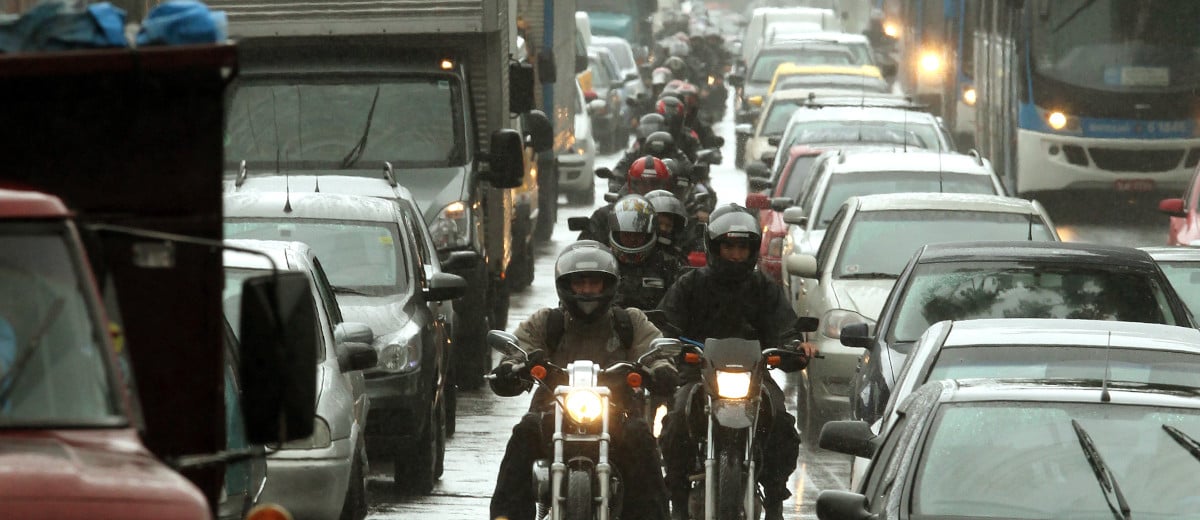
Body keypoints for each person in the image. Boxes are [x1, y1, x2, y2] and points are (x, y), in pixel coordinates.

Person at [489, 241, 678, 520]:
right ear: (566, 286)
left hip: (618, 415)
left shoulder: (629, 322)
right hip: (551, 414)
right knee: (524, 433)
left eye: (594, 283)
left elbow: (654, 350)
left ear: (609, 285)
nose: (587, 290)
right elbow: (519, 349)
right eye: (580, 283)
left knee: (641, 438)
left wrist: (660, 369)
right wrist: (511, 368)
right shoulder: (547, 322)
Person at [656, 205, 819, 520]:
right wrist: (669, 342)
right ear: (714, 247)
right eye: (728, 247)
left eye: (742, 247)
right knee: (675, 420)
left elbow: (785, 328)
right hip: (699, 373)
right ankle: (678, 498)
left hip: (753, 377)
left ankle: (774, 499)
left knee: (781, 422)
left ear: (752, 250)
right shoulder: (690, 284)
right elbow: (667, 323)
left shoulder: (764, 288)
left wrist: (794, 347)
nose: (735, 255)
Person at [608, 194, 681, 310]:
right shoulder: (605, 263)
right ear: (617, 234)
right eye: (627, 234)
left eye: (638, 235)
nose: (632, 239)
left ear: (648, 235)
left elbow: (678, 306)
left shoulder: (668, 265)